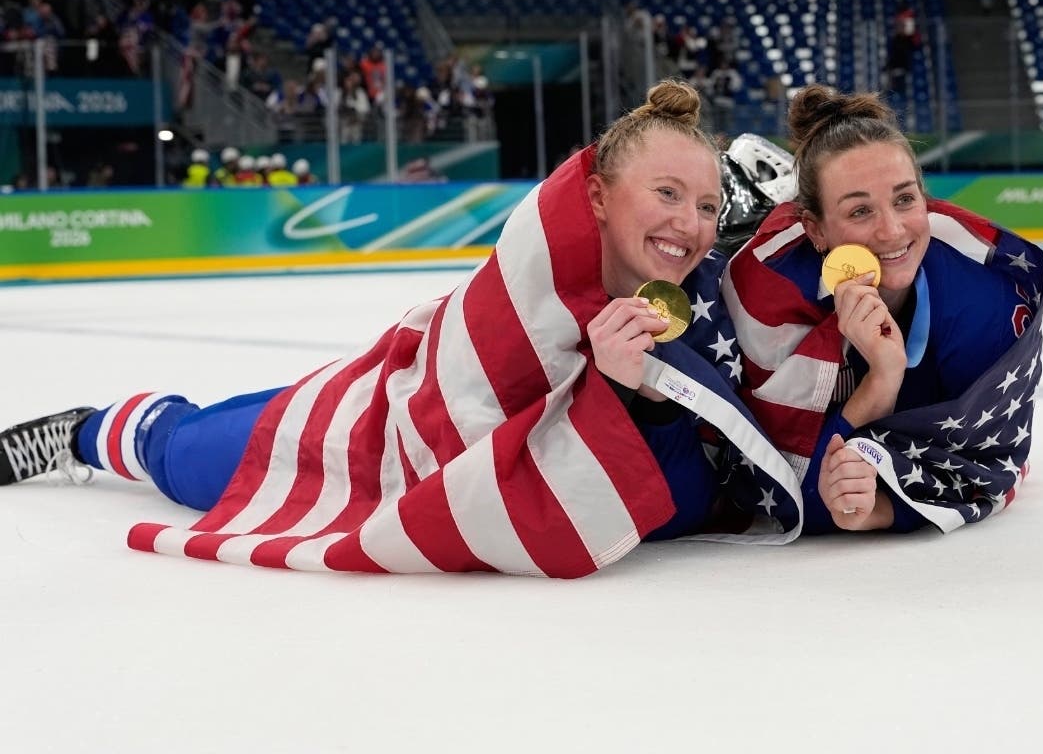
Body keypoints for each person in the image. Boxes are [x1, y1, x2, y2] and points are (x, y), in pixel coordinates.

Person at [0, 80, 799, 577]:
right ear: (594, 195)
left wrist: (644, 399)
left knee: (228, 429)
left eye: (705, 206)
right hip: (377, 421)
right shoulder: (546, 260)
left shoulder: (703, 312)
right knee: (182, 454)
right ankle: (86, 433)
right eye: (665, 193)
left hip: (414, 457)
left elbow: (661, 489)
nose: (688, 224)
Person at [722, 84, 1043, 535]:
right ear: (815, 230)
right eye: (859, 211)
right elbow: (781, 488)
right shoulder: (769, 294)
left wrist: (882, 511)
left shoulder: (985, 302)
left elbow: (989, 466)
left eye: (905, 199)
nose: (892, 231)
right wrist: (884, 376)